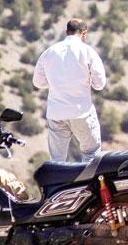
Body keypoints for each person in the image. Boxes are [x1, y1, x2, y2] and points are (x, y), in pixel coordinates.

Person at [33, 19, 107, 162]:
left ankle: (58, 184)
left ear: (66, 32)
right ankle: (89, 184)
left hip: (56, 113)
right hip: (81, 112)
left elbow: (38, 82)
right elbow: (100, 84)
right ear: (84, 34)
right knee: (91, 154)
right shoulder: (88, 52)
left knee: (57, 160)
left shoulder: (49, 52)